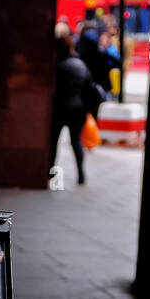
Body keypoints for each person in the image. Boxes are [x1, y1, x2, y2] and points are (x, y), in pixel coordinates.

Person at [51, 33, 96, 186]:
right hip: (78, 108)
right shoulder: (81, 65)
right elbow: (89, 88)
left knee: (54, 141)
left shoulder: (58, 66)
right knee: (76, 142)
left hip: (61, 108)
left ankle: (49, 171)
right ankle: (81, 173)